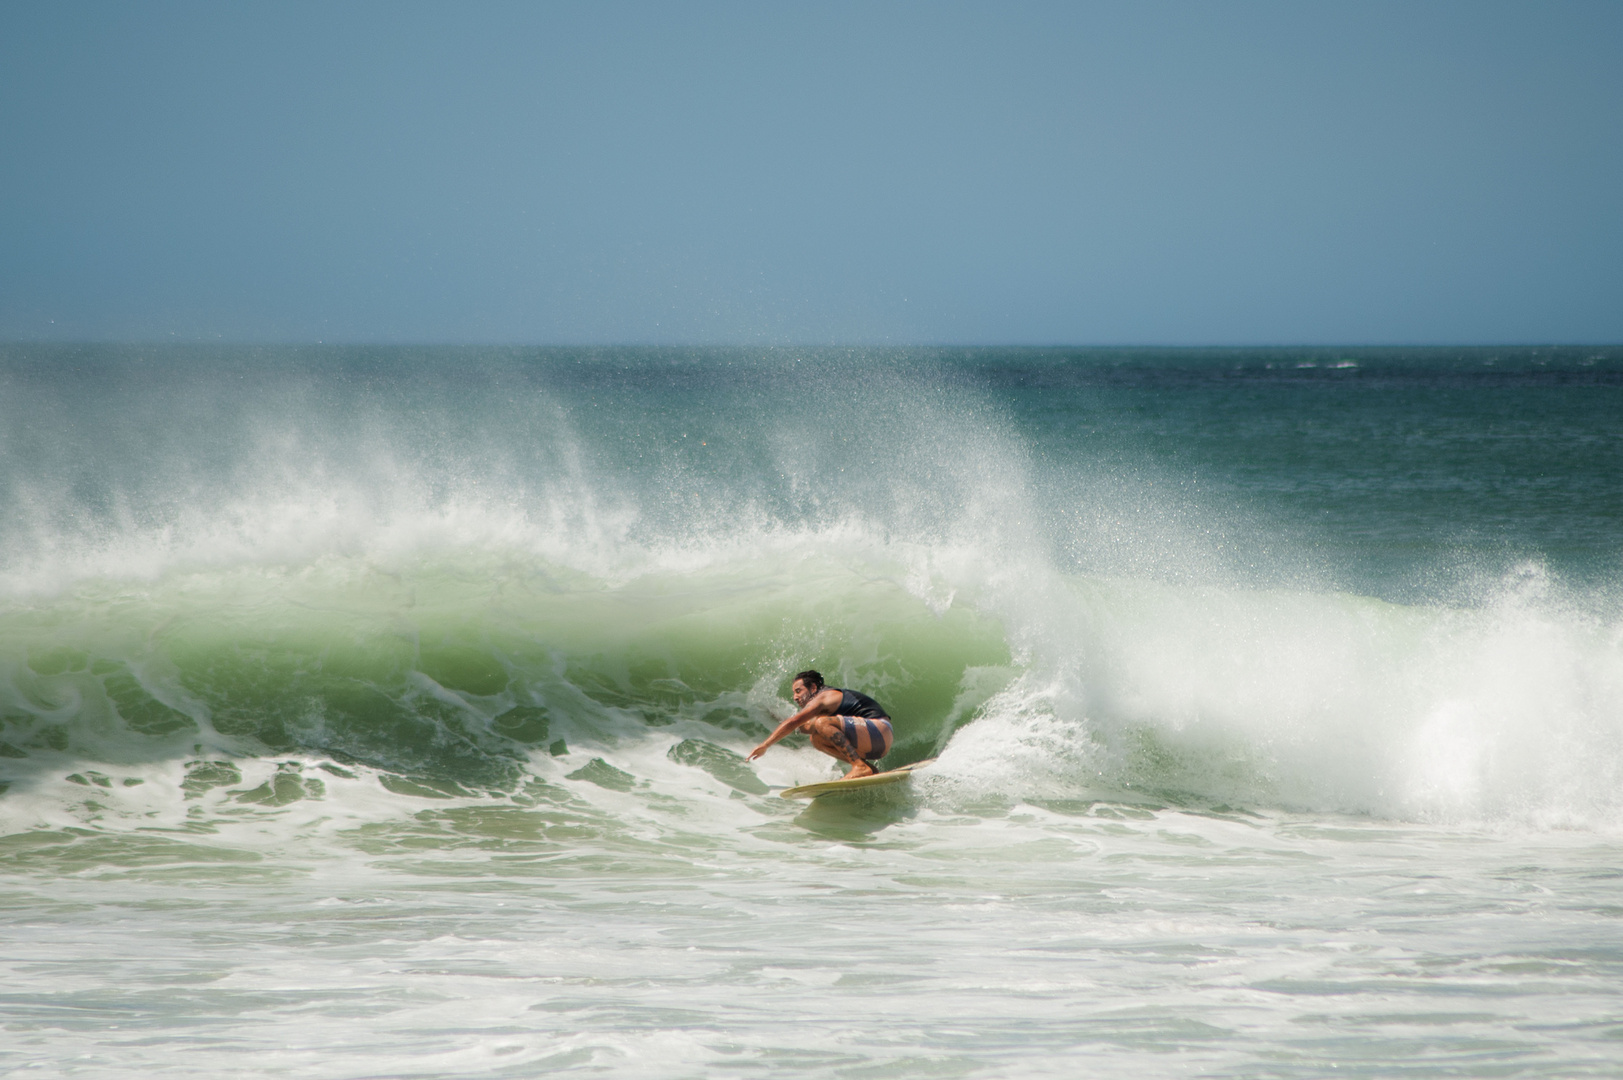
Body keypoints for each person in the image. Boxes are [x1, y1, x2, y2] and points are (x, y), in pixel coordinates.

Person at [746, 669, 893, 779]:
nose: (795, 697)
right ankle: (868, 768)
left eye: (798, 691)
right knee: (816, 739)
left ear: (814, 688)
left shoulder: (824, 697)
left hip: (880, 730)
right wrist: (777, 718)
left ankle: (859, 766)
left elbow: (794, 722)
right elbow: (805, 727)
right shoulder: (825, 706)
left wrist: (765, 745)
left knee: (821, 723)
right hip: (874, 741)